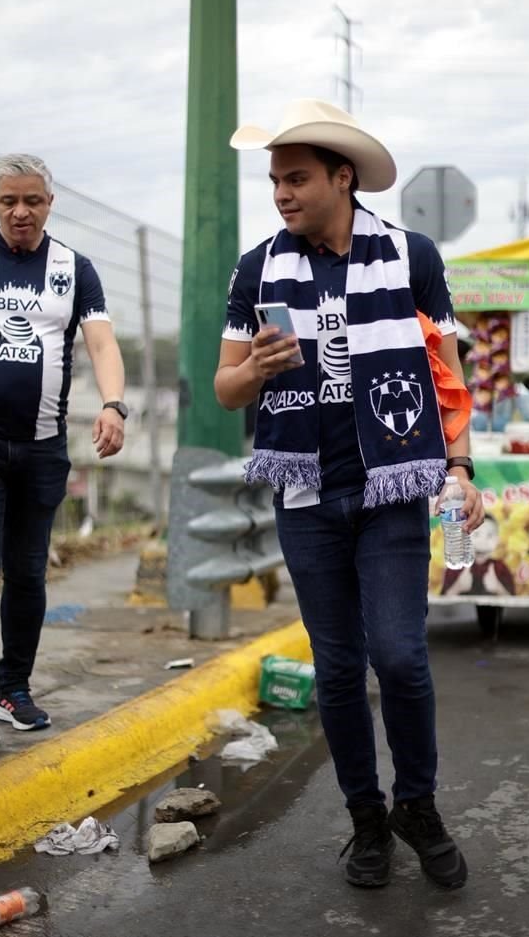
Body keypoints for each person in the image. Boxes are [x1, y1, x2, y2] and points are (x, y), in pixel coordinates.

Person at [215, 99, 484, 890]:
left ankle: (419, 804)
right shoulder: (257, 267)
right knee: (336, 667)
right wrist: (257, 369)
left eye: (295, 178)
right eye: (273, 180)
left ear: (342, 176)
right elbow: (230, 388)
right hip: (305, 494)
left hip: (392, 486)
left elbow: (448, 377)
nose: (281, 194)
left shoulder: (411, 257)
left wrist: (461, 468)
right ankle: (367, 818)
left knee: (399, 656)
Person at [0, 154, 128, 757]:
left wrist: (114, 404)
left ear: (49, 204)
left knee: (26, 572)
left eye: (32, 201)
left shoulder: (75, 269)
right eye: (8, 201)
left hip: (44, 447)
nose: (20, 212)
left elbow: (101, 342)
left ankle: (13, 692)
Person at [442, 513, 515, 596]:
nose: (482, 543)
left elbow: (513, 604)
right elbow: (442, 604)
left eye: (489, 536)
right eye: (476, 534)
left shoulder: (500, 568)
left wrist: (498, 588)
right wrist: (458, 587)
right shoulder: (455, 567)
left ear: (497, 540)